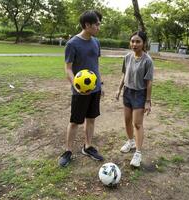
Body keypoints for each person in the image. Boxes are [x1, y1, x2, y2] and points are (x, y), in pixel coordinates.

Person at [59, 10, 104, 167]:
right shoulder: (72, 44)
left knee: (91, 119)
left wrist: (101, 84)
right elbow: (68, 68)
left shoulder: (96, 42)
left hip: (95, 89)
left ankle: (88, 146)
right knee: (75, 121)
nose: (99, 27)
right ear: (87, 25)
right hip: (80, 90)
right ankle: (68, 151)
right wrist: (75, 85)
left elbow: (95, 66)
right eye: (97, 24)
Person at [115, 31, 154, 167]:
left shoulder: (147, 61)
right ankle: (130, 141)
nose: (134, 44)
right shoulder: (127, 57)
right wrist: (119, 89)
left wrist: (148, 101)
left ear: (143, 43)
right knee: (127, 120)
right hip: (127, 91)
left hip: (139, 94)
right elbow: (124, 74)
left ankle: (138, 153)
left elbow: (149, 82)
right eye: (132, 41)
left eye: (138, 41)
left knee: (137, 124)